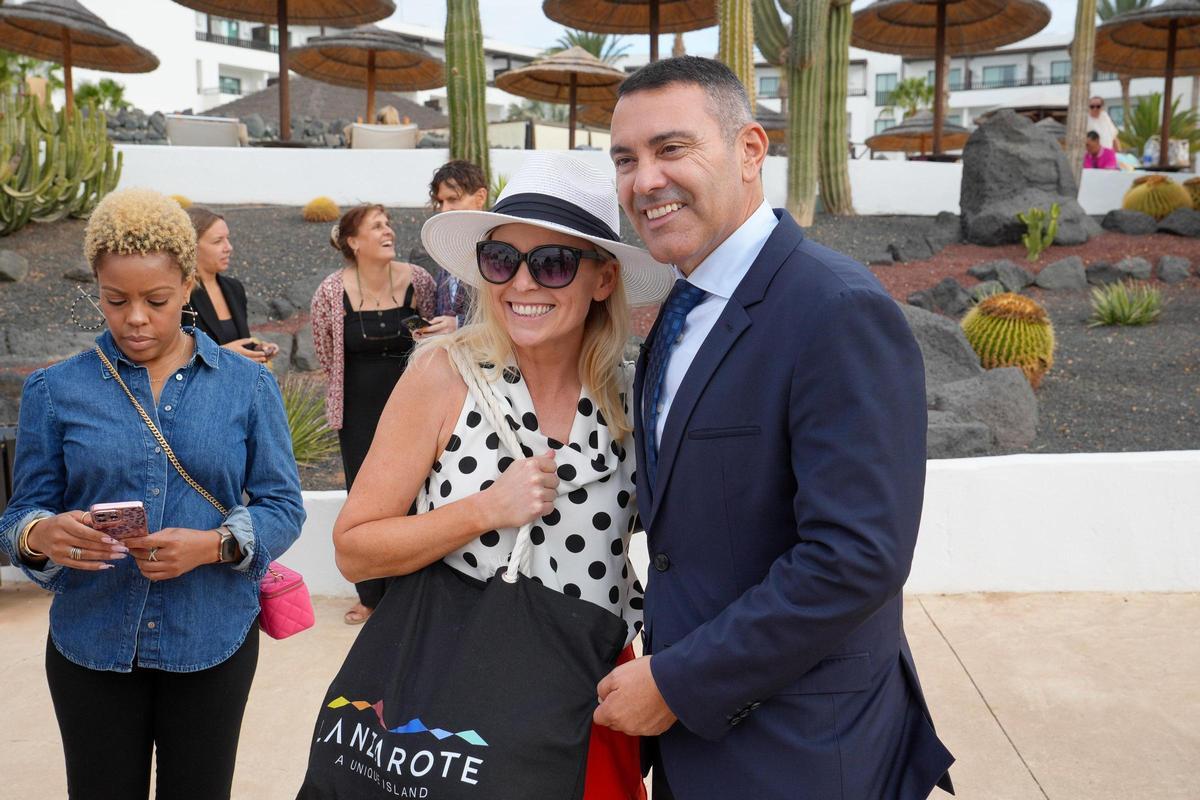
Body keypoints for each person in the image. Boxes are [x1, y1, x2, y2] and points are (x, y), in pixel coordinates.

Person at [595, 56, 954, 799]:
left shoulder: (836, 309)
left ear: (750, 150)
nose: (643, 182)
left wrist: (680, 679)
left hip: (803, 751)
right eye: (625, 160)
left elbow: (856, 556)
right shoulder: (680, 306)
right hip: (700, 739)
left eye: (671, 149)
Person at [311, 152, 672, 797]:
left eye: (553, 263)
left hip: (585, 700)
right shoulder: (444, 374)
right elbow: (354, 548)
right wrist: (484, 511)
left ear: (603, 280)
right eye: (502, 259)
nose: (522, 284)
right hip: (457, 699)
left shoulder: (634, 398)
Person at [0, 188, 306, 800]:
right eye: (116, 301)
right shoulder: (55, 391)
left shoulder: (246, 386)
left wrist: (215, 545)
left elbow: (282, 505)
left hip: (211, 638)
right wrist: (40, 534)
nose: (136, 318)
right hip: (90, 641)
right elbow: (19, 514)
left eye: (156, 300)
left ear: (188, 286)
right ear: (98, 289)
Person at [310, 204, 437, 624]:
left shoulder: (419, 280)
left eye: (388, 223)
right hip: (360, 410)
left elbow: (434, 338)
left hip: (415, 406)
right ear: (353, 241)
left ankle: (410, 593)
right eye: (376, 226)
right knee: (365, 501)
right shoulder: (331, 291)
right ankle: (371, 596)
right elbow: (328, 353)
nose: (388, 230)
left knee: (417, 494)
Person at [185, 206, 279, 363]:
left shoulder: (234, 288)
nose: (229, 247)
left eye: (227, 239)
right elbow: (171, 359)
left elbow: (240, 342)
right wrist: (222, 354)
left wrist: (256, 350)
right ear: (191, 247)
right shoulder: (179, 294)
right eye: (218, 241)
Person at [407, 159, 488, 333]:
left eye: (453, 199)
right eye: (441, 202)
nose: (445, 209)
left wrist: (459, 324)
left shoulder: (499, 248)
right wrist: (432, 330)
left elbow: (511, 317)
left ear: (480, 197)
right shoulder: (445, 247)